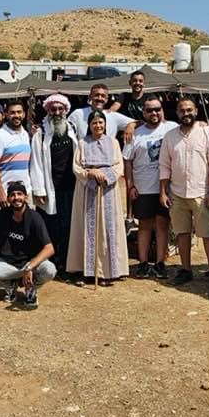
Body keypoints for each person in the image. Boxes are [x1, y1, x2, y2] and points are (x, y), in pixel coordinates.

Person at [158, 95, 209, 290]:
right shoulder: (170, 136)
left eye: (189, 110)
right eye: (182, 110)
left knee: (207, 234)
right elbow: (164, 165)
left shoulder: (208, 133)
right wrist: (163, 192)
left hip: (201, 193)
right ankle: (185, 269)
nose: (186, 113)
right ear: (177, 113)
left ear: (196, 111)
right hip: (177, 193)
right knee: (182, 233)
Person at [67, 110, 129, 285]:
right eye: (94, 123)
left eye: (101, 122)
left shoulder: (113, 142)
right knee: (86, 228)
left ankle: (107, 271)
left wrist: (104, 175)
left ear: (105, 124)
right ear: (89, 125)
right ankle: (87, 271)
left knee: (108, 228)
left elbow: (119, 166)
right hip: (87, 191)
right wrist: (90, 173)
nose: (98, 125)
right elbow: (76, 167)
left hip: (108, 191)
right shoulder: (82, 143)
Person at [0, 182, 56, 307]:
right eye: (12, 195)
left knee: (50, 270)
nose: (16, 198)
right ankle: (10, 284)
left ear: (25, 197)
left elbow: (49, 248)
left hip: (30, 263)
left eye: (19, 194)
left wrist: (30, 267)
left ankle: (31, 288)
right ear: (8, 198)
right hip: (8, 263)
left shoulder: (34, 218)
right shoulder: (3, 215)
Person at [123, 94, 177, 280]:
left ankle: (160, 262)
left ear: (162, 110)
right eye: (149, 110)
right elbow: (128, 161)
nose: (154, 113)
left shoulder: (172, 128)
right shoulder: (135, 134)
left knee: (162, 225)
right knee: (144, 226)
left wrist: (201, 124)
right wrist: (130, 186)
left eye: (157, 109)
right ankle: (143, 263)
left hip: (166, 187)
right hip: (143, 187)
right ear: (143, 113)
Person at [29, 93, 77, 277]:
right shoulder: (40, 133)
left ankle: (66, 263)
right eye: (53, 109)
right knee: (50, 226)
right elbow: (36, 162)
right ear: (47, 111)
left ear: (65, 110)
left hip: (70, 187)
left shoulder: (72, 128)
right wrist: (39, 189)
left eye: (60, 109)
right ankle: (50, 263)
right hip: (49, 189)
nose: (57, 112)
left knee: (68, 225)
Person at [0, 100, 32, 220]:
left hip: (24, 193)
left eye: (19, 112)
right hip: (4, 195)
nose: (16, 115)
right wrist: (1, 192)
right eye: (12, 112)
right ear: (6, 115)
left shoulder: (25, 135)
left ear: (24, 114)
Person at [69, 83, 136, 143]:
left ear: (106, 99)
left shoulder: (113, 116)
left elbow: (140, 123)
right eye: (96, 95)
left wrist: (131, 125)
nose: (100, 98)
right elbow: (67, 132)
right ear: (90, 97)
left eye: (103, 96)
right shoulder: (78, 114)